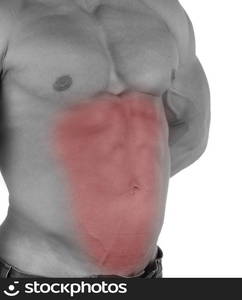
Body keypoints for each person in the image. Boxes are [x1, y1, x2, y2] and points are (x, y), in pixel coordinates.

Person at [0, 0, 210, 278]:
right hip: (38, 273)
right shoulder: (9, 17)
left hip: (146, 274)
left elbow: (192, 131)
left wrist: (117, 184)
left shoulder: (161, 9)